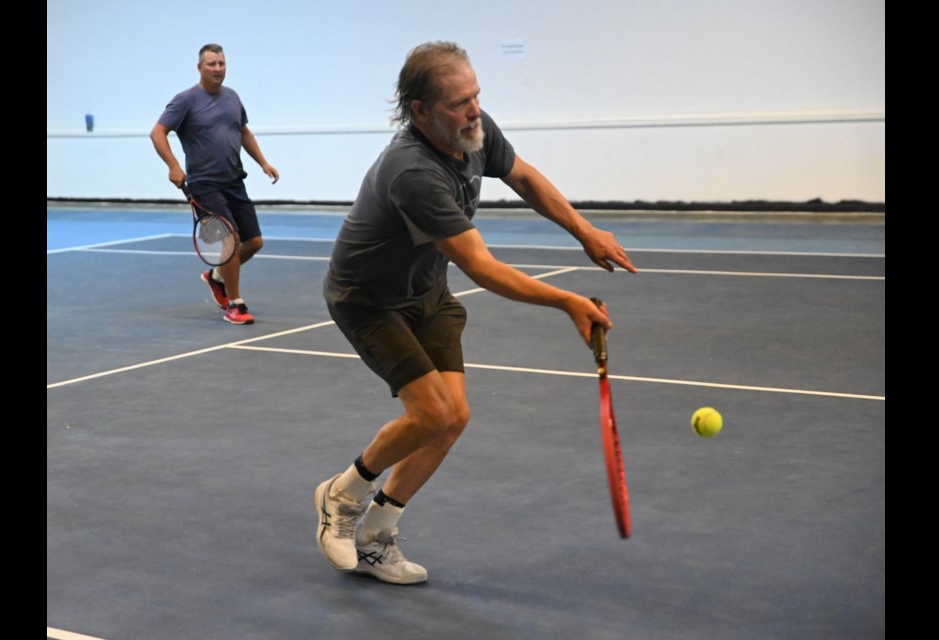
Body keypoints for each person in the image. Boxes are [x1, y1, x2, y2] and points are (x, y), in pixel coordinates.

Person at [315, 41, 637, 585]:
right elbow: (482, 268)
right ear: (420, 110)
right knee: (432, 414)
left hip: (425, 289)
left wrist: (585, 231)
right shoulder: (412, 171)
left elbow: (524, 177)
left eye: (476, 96)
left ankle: (375, 535)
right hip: (366, 298)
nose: (474, 111)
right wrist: (566, 301)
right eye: (459, 103)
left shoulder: (473, 128)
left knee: (453, 417)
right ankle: (342, 494)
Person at [150, 43, 279, 325]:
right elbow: (158, 133)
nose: (218, 69)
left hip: (235, 182)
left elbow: (243, 131)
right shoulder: (185, 100)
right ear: (200, 67)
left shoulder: (232, 98)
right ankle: (235, 304)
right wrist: (173, 165)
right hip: (204, 184)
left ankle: (217, 276)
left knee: (255, 241)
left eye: (221, 63)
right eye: (212, 64)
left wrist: (263, 163)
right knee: (229, 241)